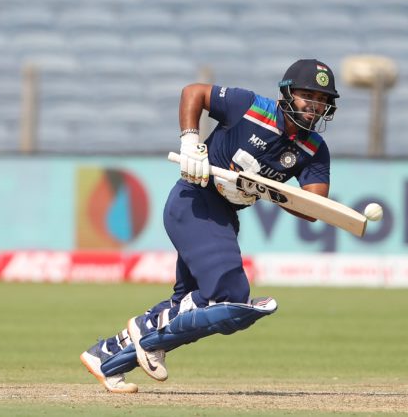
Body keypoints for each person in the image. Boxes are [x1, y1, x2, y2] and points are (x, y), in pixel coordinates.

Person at [80, 59, 340, 393]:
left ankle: (106, 355)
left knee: (195, 304)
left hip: (224, 217)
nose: (315, 106)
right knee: (230, 297)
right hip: (195, 202)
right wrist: (191, 142)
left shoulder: (314, 150)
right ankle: (147, 333)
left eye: (322, 100)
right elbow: (194, 92)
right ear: (287, 93)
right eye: (308, 96)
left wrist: (268, 191)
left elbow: (313, 206)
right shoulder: (250, 106)